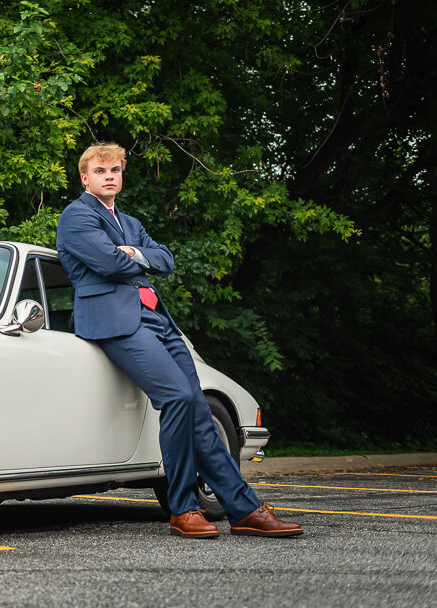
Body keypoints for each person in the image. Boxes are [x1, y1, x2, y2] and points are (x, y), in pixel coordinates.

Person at [56, 142, 303, 538]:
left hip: (157, 318)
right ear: (85, 177)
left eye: (116, 170)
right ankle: (183, 508)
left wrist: (133, 250)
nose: (110, 176)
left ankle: (243, 509)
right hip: (115, 321)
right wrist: (138, 257)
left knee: (199, 411)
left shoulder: (131, 222)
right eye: (101, 171)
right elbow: (109, 262)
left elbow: (166, 259)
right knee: (179, 398)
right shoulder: (75, 216)